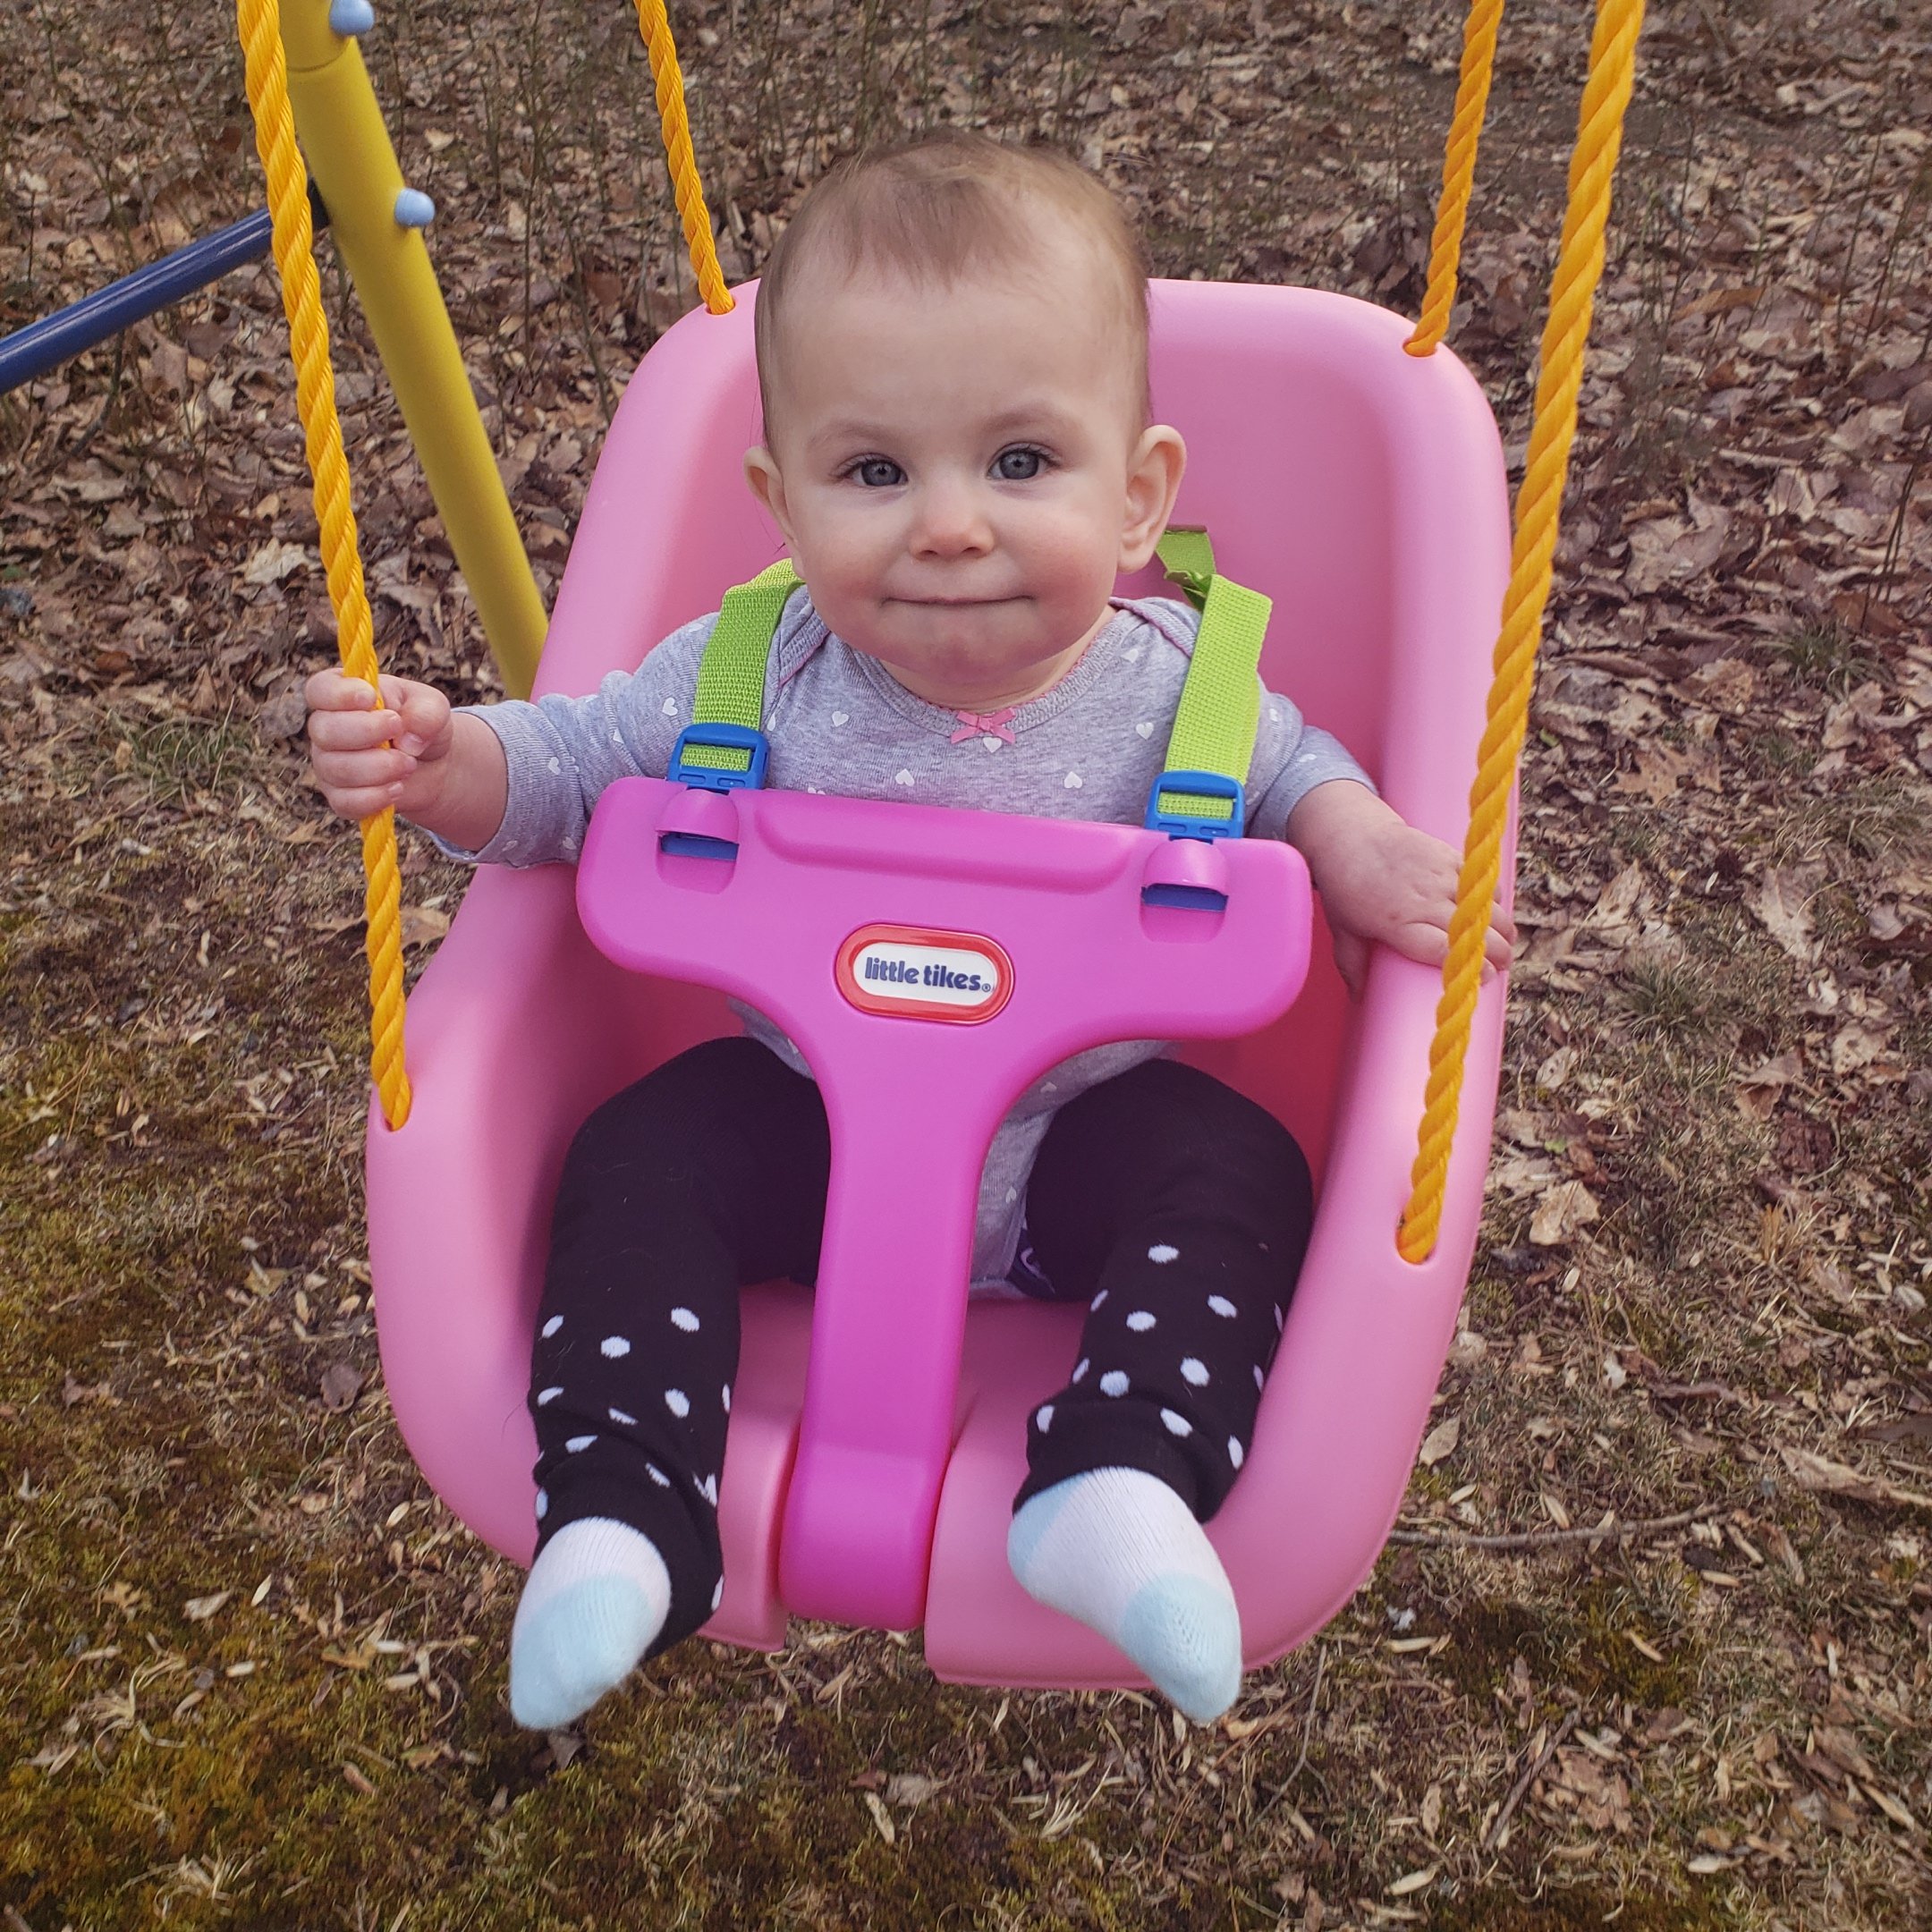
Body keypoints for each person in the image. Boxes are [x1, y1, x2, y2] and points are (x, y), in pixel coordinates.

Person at [305, 131, 1511, 1729]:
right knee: (639, 1157)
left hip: (1081, 1133)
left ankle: (1116, 1479)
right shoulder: (749, 668)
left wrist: (1352, 844)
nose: (948, 525)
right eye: (874, 473)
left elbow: (1298, 776)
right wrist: (447, 758)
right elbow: (573, 769)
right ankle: (626, 1510)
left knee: (1236, 1173)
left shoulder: (1182, 683)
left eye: (1021, 463)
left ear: (1139, 496)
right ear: (781, 501)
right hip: (811, 1124)